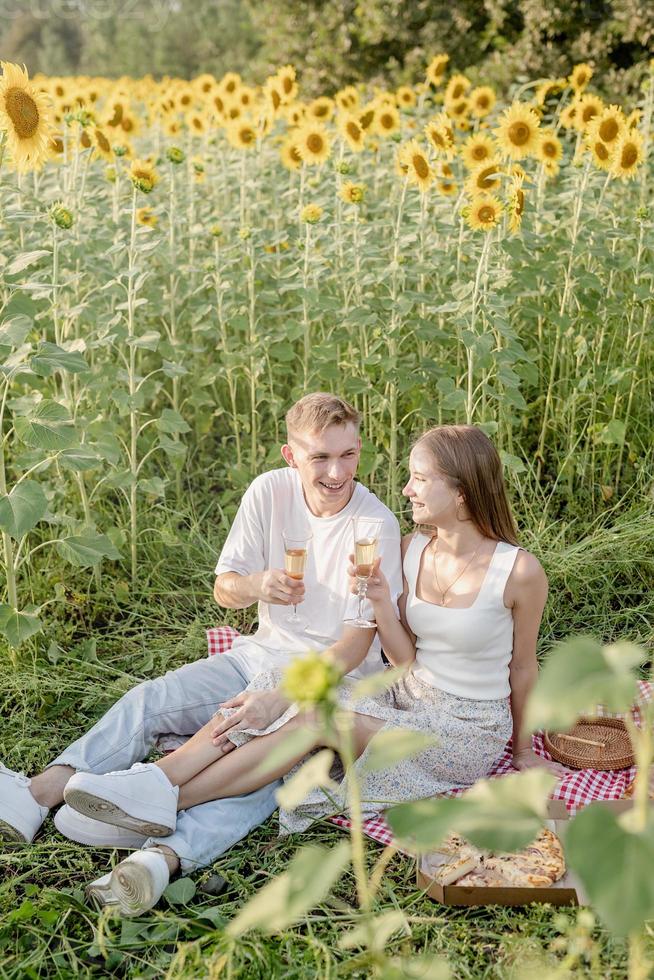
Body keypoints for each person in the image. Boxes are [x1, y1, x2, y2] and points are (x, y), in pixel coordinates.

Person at [62, 424, 565, 916]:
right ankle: (154, 786)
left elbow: (523, 667)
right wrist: (381, 605)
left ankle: (162, 803)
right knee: (281, 687)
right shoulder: (413, 550)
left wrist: (523, 751)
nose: (406, 488)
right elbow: (407, 658)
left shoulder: (519, 571)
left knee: (315, 721)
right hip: (406, 696)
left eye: (420, 478)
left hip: (466, 729)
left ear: (461, 492)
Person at [0, 394, 403, 865]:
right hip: (256, 658)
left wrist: (285, 694)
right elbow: (225, 589)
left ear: (359, 447)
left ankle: (160, 849)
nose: (337, 474)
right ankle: (38, 795)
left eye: (348, 455)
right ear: (291, 456)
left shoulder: (374, 524)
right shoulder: (269, 492)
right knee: (149, 699)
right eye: (321, 458)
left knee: (263, 766)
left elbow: (356, 646)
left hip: (330, 681)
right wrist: (257, 585)